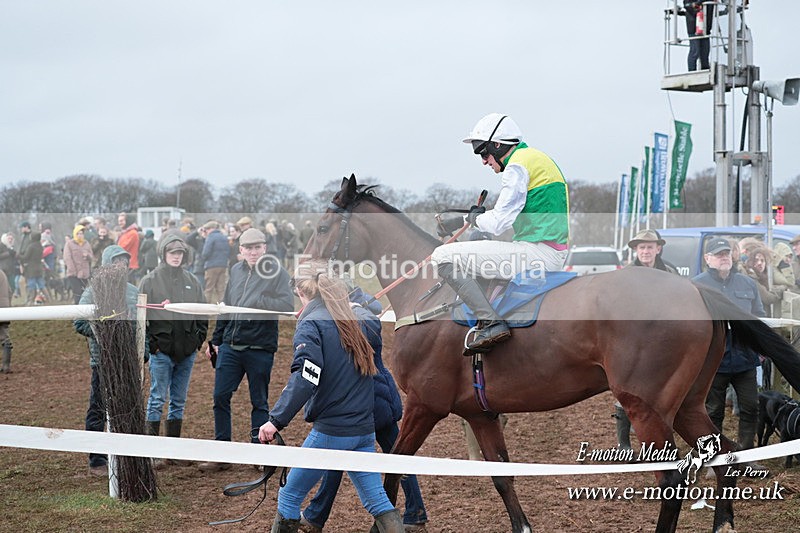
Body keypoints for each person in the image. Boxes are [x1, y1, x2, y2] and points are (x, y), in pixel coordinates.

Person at [258, 261, 404, 533]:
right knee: (377, 501)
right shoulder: (358, 319)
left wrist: (275, 421)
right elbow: (371, 320)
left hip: (332, 432)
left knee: (289, 495)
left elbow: (305, 377)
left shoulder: (311, 324)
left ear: (302, 292)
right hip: (363, 430)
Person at [432, 113, 569, 352]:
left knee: (441, 256)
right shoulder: (535, 157)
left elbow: (498, 223)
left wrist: (466, 219)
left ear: (498, 145)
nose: (484, 161)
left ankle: (490, 322)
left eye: (483, 152)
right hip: (549, 250)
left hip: (537, 254)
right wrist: (474, 217)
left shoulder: (516, 166)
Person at [299, 284, 428, 532]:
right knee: (396, 455)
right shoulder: (344, 313)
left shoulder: (354, 317)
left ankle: (316, 516)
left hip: (371, 401)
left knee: (392, 456)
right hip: (371, 400)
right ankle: (415, 512)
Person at [198, 228, 294, 472]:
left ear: (265, 248)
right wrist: (216, 339)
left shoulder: (277, 273)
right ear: (240, 250)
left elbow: (286, 304)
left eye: (257, 247)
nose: (253, 252)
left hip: (260, 347)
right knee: (220, 396)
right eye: (248, 248)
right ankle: (222, 453)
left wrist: (259, 301)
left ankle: (258, 454)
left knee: (259, 401)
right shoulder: (235, 271)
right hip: (231, 344)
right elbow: (227, 307)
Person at [138, 235, 208, 467]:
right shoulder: (150, 281)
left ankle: (173, 451)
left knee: (178, 400)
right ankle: (150, 452)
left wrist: (197, 341)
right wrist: (153, 346)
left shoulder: (192, 281)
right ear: (163, 254)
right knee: (157, 399)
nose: (176, 257)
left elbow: (202, 311)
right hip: (162, 351)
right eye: (172, 253)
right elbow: (141, 317)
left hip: (186, 351)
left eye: (180, 253)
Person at [609, 229, 681, 449]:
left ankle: (660, 440)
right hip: (633, 341)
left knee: (662, 392)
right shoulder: (626, 275)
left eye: (650, 247)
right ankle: (623, 444)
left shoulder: (670, 271)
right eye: (642, 247)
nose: (646, 251)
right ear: (635, 251)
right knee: (626, 391)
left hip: (663, 340)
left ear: (658, 249)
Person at [73, 245, 140, 475]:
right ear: (107, 264)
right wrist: (107, 333)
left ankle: (129, 453)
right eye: (116, 261)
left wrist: (145, 351)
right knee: (98, 407)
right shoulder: (92, 292)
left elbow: (142, 326)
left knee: (129, 405)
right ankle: (97, 459)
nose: (121, 266)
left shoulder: (133, 291)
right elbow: (79, 322)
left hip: (128, 361)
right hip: (103, 361)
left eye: (124, 261)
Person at [692, 238, 764, 451]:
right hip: (714, 359)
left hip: (745, 357)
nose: (724, 257)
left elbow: (759, 316)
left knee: (751, 407)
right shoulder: (696, 285)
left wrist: (760, 350)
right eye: (718, 254)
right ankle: (715, 458)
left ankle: (746, 455)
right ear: (707, 258)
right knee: (713, 411)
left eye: (726, 253)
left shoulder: (748, 283)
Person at [199, 220, 229, 304]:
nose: (206, 231)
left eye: (207, 229)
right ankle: (222, 309)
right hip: (223, 265)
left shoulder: (211, 237)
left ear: (211, 229)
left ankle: (206, 309)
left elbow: (205, 252)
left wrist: (204, 258)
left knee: (209, 289)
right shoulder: (224, 237)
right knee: (221, 289)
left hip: (211, 266)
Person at [63, 225, 94, 304]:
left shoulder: (86, 243)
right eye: (78, 233)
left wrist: (87, 255)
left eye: (81, 233)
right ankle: (77, 312)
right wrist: (72, 270)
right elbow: (67, 258)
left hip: (85, 274)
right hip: (74, 274)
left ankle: (83, 312)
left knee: (84, 294)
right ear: (75, 234)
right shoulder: (69, 244)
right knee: (77, 293)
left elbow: (92, 257)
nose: (80, 235)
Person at [683, 0, 714, 71]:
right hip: (694, 28)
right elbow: (687, 5)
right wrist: (697, 3)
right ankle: (691, 71)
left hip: (705, 28)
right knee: (695, 51)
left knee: (705, 53)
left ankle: (705, 70)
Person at [18, 232, 45, 305]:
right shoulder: (40, 246)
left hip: (31, 269)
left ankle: (30, 300)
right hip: (39, 268)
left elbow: (26, 257)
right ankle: (48, 299)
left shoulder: (31, 246)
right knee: (41, 285)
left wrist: (18, 256)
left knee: (31, 285)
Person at [116, 212, 140, 282]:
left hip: (129, 264)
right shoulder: (125, 233)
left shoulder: (132, 233)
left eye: (121, 221)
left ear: (128, 221)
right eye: (119, 221)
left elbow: (122, 248)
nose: (119, 223)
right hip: (124, 264)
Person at [0, 268, 12, 373]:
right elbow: (9, 291)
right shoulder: (2, 273)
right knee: (4, 337)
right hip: (5, 308)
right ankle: (6, 365)